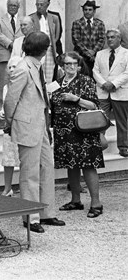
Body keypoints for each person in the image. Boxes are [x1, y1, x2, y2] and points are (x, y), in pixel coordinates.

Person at [4, 32, 65, 233]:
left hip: (40, 125)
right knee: (30, 173)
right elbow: (11, 100)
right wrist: (11, 122)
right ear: (44, 50)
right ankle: (30, 217)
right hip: (27, 125)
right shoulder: (22, 68)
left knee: (47, 168)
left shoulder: (34, 66)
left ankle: (47, 212)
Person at [52, 51, 105, 218]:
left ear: (79, 66)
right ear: (63, 66)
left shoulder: (86, 81)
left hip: (83, 131)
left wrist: (76, 99)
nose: (71, 67)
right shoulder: (57, 83)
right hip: (63, 131)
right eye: (68, 64)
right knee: (71, 165)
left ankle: (96, 203)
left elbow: (94, 105)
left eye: (74, 64)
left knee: (88, 166)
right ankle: (76, 200)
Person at [93, 29, 128, 157]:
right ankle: (99, 145)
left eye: (113, 37)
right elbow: (95, 71)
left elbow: (127, 73)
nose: (110, 39)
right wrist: (104, 84)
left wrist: (113, 84)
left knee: (122, 121)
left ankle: (124, 147)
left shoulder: (126, 54)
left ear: (119, 39)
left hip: (120, 92)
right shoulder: (100, 54)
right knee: (101, 120)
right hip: (103, 92)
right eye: (108, 37)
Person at [0, 0, 22, 113]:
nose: (12, 7)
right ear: (7, 6)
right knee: (3, 82)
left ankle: (16, 107)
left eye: (15, 5)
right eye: (10, 5)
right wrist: (11, 44)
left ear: (18, 7)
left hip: (19, 55)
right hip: (5, 54)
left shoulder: (23, 19)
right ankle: (0, 107)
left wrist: (18, 46)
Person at [0, 56, 22, 197]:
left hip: (22, 125)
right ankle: (7, 188)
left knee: (24, 159)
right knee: (8, 159)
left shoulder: (26, 83)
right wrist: (3, 113)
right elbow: (5, 105)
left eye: (15, 66)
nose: (12, 69)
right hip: (9, 126)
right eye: (10, 67)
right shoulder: (6, 87)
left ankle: (25, 187)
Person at [29, 0, 61, 81]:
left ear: (48, 4)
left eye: (41, 4)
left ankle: (48, 93)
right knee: (37, 74)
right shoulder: (31, 18)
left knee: (49, 76)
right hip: (37, 49)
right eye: (37, 4)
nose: (39, 6)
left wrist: (52, 44)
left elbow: (57, 35)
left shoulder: (54, 17)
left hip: (50, 49)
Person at [72, 0, 105, 72]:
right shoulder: (77, 23)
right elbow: (76, 40)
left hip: (96, 57)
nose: (87, 11)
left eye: (90, 10)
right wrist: (89, 54)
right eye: (85, 9)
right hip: (81, 57)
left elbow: (102, 39)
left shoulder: (100, 23)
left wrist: (93, 51)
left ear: (94, 11)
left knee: (95, 78)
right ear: (83, 11)